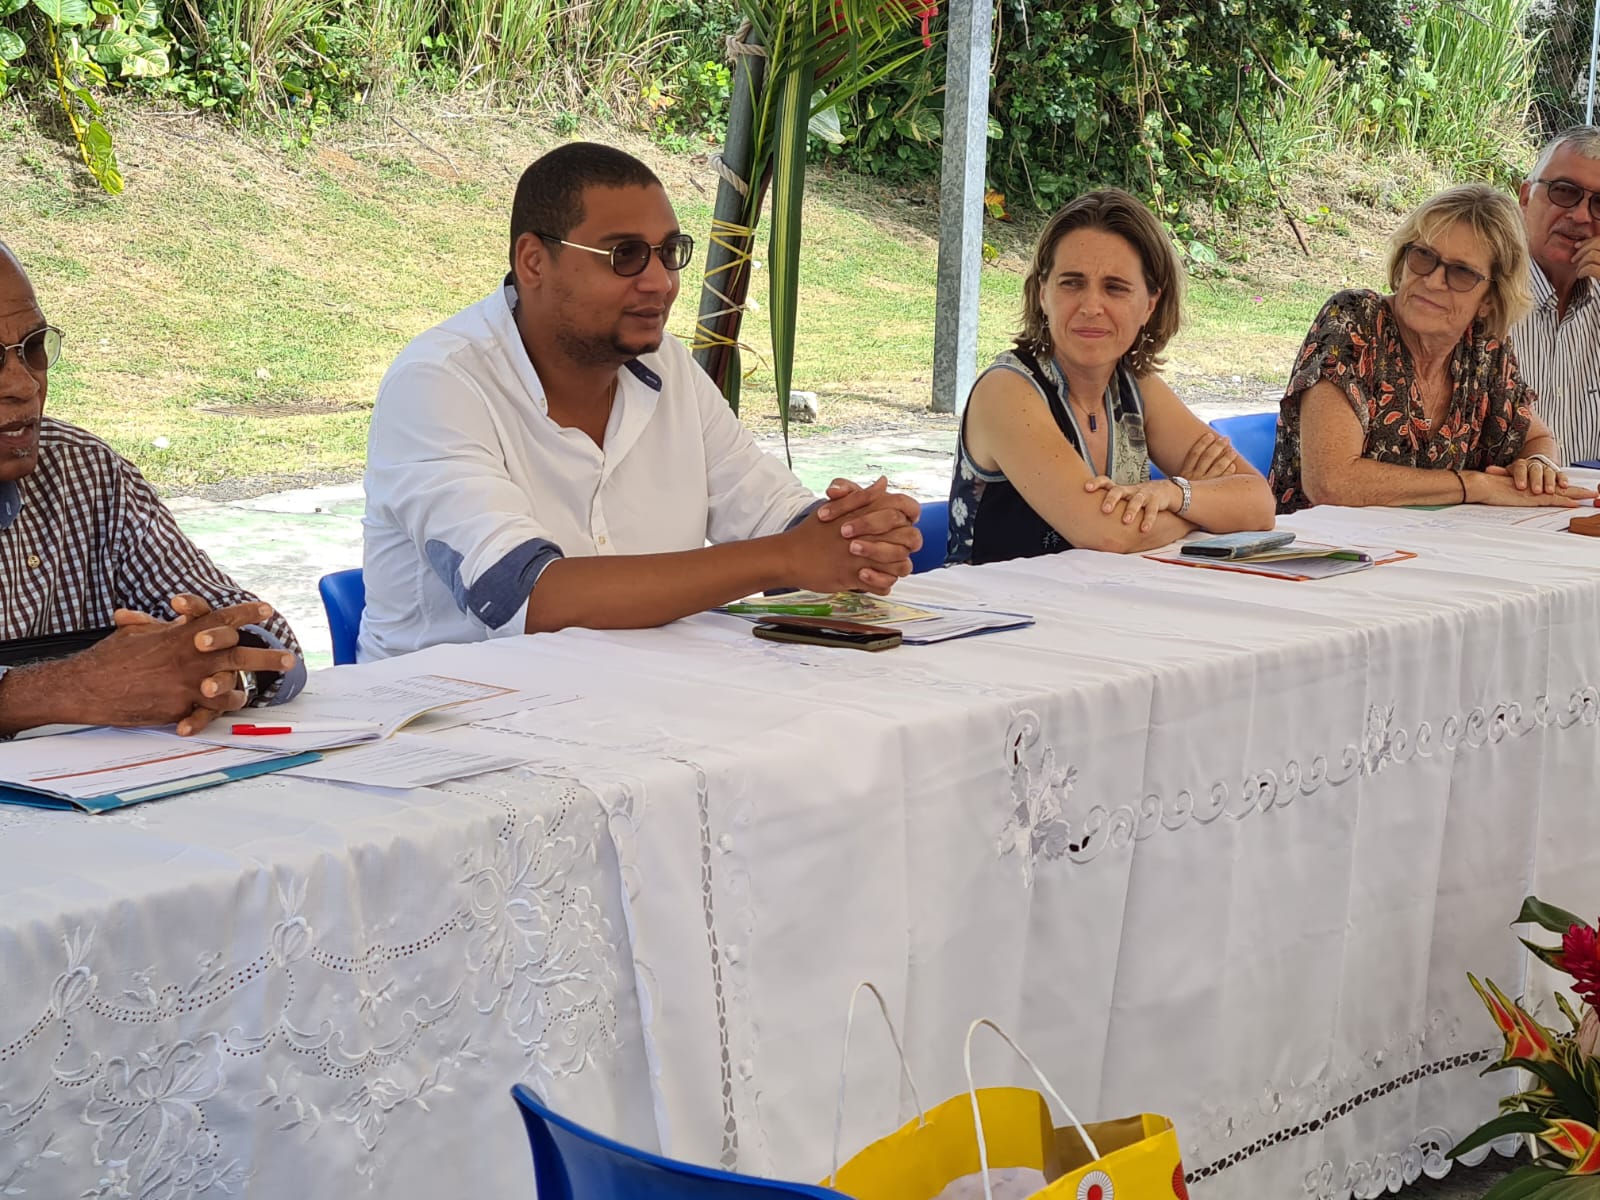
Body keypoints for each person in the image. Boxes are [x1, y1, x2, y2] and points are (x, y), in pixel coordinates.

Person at [359, 142, 920, 660]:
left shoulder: (666, 366)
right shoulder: (439, 383)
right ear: (533, 261)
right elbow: (526, 600)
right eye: (624, 255)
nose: (660, 282)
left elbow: (770, 513)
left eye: (669, 253)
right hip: (453, 718)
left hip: (640, 698)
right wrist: (788, 556)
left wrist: (853, 535)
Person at [0, 242, 304, 738]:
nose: (24, 384)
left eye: (33, 348)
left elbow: (265, 637)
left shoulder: (83, 468)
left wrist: (219, 668)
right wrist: (60, 690)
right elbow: (75, 687)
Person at [946, 188, 1275, 565]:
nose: (1091, 306)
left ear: (1150, 304)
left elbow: (1258, 503)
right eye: (1072, 283)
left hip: (1102, 596)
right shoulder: (1006, 391)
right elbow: (1108, 534)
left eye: (1115, 288)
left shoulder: (1137, 387)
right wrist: (1203, 510)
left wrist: (1172, 494)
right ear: (1042, 294)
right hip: (998, 602)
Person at [1269, 184, 1593, 513]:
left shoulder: (1482, 346)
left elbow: (1536, 438)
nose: (1434, 281)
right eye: (1424, 256)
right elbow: (1330, 482)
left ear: (1489, 299)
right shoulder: (1354, 320)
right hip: (1314, 541)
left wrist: (1537, 466)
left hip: (1429, 539)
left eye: (1462, 272)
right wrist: (1474, 485)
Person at [1510, 125, 1600, 464]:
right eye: (1564, 191)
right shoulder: (1475, 296)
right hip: (1500, 495)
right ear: (1525, 198)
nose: (1581, 216)